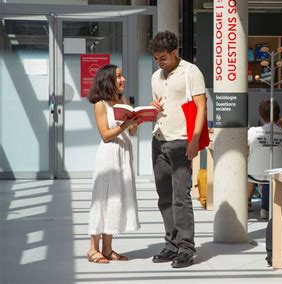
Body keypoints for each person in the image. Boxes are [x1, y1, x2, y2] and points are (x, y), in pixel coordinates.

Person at [149, 31, 206, 268]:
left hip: (182, 141)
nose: (159, 63)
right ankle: (171, 243)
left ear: (175, 53)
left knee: (181, 196)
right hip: (159, 139)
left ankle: (186, 248)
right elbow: (161, 107)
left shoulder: (190, 72)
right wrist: (152, 108)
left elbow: (201, 107)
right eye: (156, 59)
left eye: (163, 58)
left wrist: (194, 141)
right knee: (164, 197)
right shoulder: (155, 77)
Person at [86, 64, 142, 264]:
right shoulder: (100, 104)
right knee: (103, 199)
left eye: (122, 75)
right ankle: (93, 249)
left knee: (116, 200)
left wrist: (135, 122)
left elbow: (132, 132)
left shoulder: (123, 100)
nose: (123, 79)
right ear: (108, 79)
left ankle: (108, 248)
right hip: (108, 157)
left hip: (124, 155)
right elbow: (105, 136)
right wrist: (125, 125)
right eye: (118, 76)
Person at [247, 99, 282, 219]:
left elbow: (242, 148)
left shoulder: (252, 132)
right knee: (270, 168)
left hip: (255, 173)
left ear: (260, 115)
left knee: (248, 164)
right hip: (280, 174)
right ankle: (268, 207)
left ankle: (245, 202)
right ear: (278, 115)